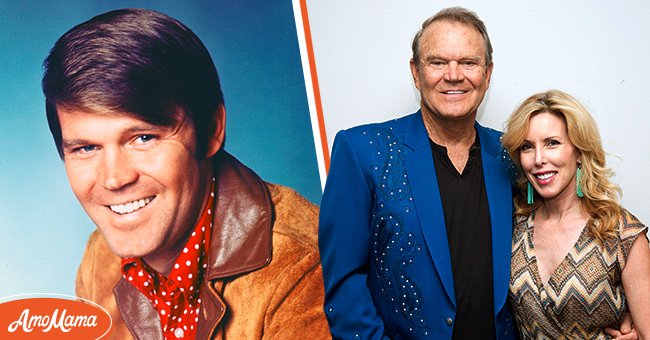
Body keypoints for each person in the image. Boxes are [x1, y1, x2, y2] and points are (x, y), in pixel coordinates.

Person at [318, 7, 638, 340]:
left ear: (487, 74)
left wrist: (621, 311)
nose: (453, 75)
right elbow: (344, 282)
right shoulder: (363, 150)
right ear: (416, 72)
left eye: (469, 63)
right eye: (437, 62)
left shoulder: (513, 154)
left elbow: (559, 234)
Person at [42, 9, 329, 339]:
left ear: (210, 132)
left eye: (143, 138)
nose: (114, 179)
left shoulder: (304, 270)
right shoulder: (99, 258)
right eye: (86, 148)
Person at [502, 90, 650, 339]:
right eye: (528, 147)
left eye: (552, 143)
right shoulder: (515, 225)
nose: (538, 159)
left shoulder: (621, 233)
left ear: (580, 151)